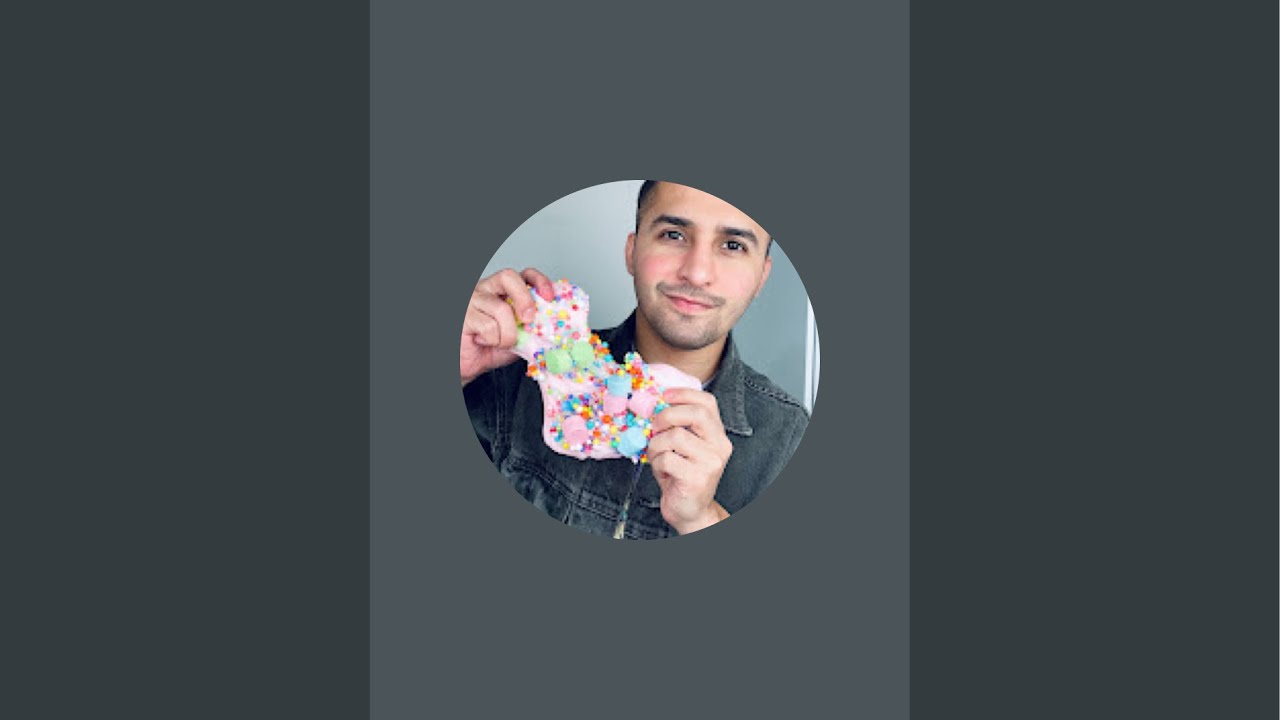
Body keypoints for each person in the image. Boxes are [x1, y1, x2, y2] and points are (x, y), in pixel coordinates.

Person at [461, 181, 810, 539]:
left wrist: (703, 519)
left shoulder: (788, 437)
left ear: (761, 277)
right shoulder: (511, 378)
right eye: (673, 235)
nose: (697, 273)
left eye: (733, 245)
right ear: (632, 252)